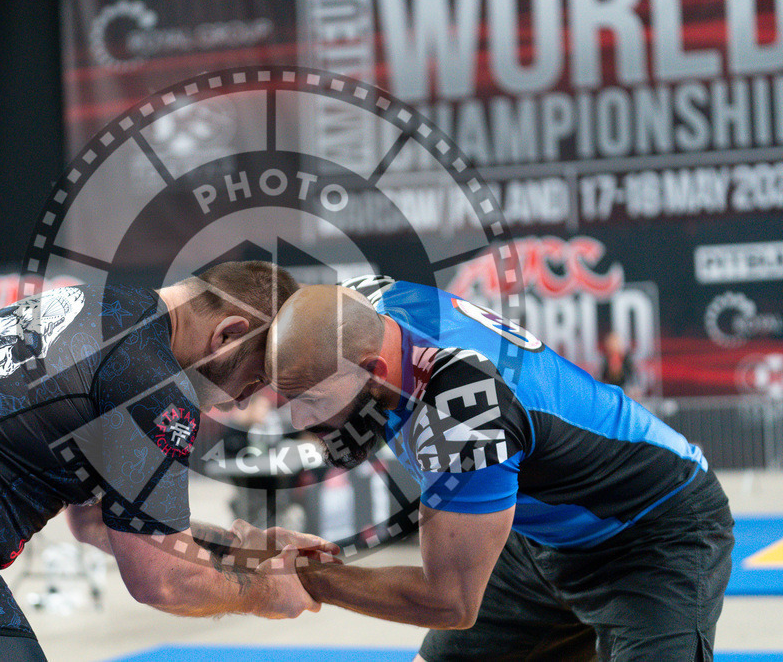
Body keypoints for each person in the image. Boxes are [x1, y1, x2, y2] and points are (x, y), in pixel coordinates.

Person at [0, 261, 334, 662]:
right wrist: (264, 592)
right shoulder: (150, 380)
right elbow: (160, 579)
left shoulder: (103, 309)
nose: (243, 400)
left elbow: (98, 522)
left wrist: (245, 550)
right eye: (256, 378)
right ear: (229, 334)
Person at [268, 276, 734, 661]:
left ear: (374, 369)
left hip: (653, 533)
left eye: (314, 402)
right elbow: (289, 326)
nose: (302, 421)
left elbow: (449, 601)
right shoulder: (367, 303)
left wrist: (309, 574)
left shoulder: (463, 409)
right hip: (539, 538)